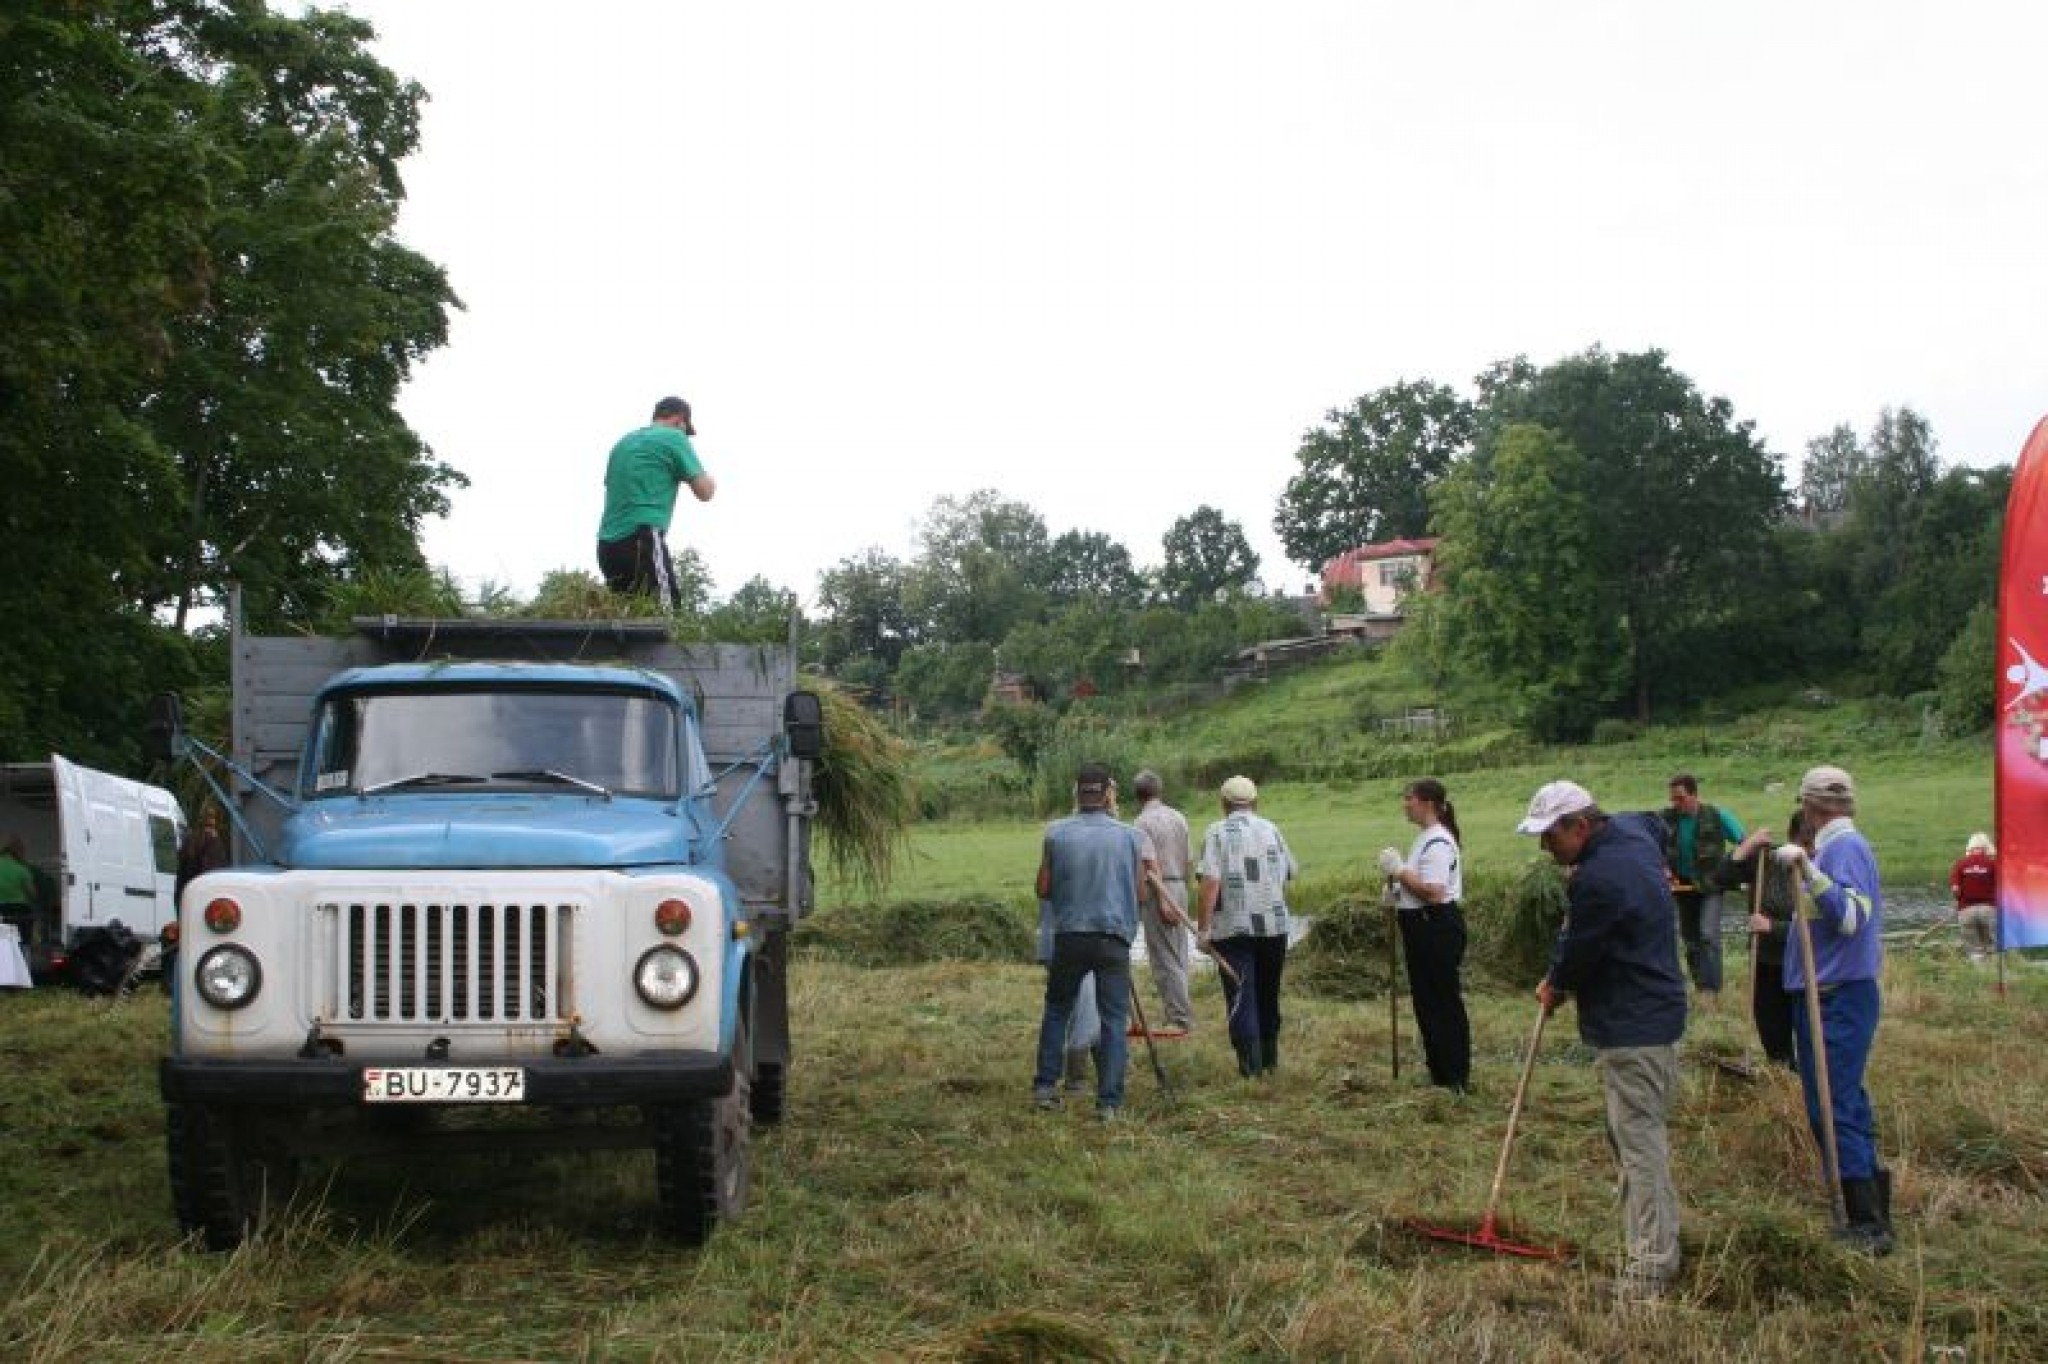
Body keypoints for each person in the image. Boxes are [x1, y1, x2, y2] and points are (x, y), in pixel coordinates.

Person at [1520, 780, 1687, 1302]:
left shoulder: (1599, 880)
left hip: (1634, 1023)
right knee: (1631, 1137)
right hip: (1653, 1010)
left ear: (1582, 826)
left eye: (1551, 837)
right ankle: (1651, 1243)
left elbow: (1578, 952)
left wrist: (1556, 984)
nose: (1545, 849)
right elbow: (1658, 822)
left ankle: (1652, 1267)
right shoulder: (1634, 832)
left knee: (1639, 1143)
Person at [1772, 764, 1893, 1255]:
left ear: (1808, 806)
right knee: (1841, 1102)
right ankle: (1870, 1202)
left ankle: (1866, 1222)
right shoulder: (1838, 848)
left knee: (1834, 1105)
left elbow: (1850, 917)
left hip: (1837, 996)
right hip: (1831, 994)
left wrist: (1809, 869)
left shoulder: (1844, 849)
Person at [1032, 762, 1146, 1120]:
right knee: (1113, 1019)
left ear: (1077, 794)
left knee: (1057, 1011)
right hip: (1113, 936)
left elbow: (1042, 889)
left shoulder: (1056, 833)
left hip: (1070, 935)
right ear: (1109, 794)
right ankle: (1109, 1102)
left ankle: (1046, 1088)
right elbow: (1142, 892)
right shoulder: (1130, 836)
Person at [1196, 776, 1298, 1078]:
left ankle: (1250, 1068)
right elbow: (1289, 872)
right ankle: (1270, 1061)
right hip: (1275, 925)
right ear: (1254, 801)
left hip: (1234, 927)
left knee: (1242, 993)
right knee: (1268, 991)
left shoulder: (1216, 832)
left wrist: (1203, 930)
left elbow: (1211, 882)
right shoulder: (1271, 828)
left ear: (1224, 803)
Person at [1376, 777, 1471, 1092]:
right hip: (1422, 927)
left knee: (1441, 1002)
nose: (1405, 804)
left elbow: (1433, 891)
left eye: (1409, 798)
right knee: (1427, 1002)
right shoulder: (1425, 838)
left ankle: (1454, 1077)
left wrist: (1399, 871)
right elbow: (1419, 887)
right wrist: (1398, 893)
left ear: (1428, 804)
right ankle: (1440, 1073)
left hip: (1436, 927)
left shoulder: (1439, 842)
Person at [595, 396, 717, 609]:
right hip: (642, 540)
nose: (685, 435)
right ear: (680, 420)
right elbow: (705, 492)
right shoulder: (674, 438)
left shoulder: (622, 444)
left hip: (607, 548)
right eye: (685, 429)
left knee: (632, 621)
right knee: (668, 618)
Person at [1725, 813, 1806, 1069]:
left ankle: (1807, 1072)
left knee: (1807, 1025)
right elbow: (1721, 877)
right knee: (1770, 1022)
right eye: (1804, 842)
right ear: (1792, 837)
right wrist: (1747, 847)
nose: (1808, 850)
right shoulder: (1767, 861)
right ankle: (1781, 1070)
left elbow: (1818, 925)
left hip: (1807, 961)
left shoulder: (1824, 865)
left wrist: (1773, 927)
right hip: (1767, 958)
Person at [1657, 774, 1746, 1007]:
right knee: (1691, 940)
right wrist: (1663, 868)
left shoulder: (1718, 816)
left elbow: (1744, 843)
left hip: (1711, 886)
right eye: (1673, 800)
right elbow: (1649, 841)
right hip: (1682, 887)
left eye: (1680, 799)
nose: (1676, 804)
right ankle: (1700, 989)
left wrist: (1740, 873)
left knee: (1708, 935)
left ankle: (1712, 990)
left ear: (1694, 795)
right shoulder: (1666, 819)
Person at [1131, 770, 1195, 1033]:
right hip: (1179, 884)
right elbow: (1189, 860)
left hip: (1160, 888)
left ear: (1138, 795)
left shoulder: (1141, 823)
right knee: (1179, 952)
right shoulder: (1178, 817)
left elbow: (1147, 864)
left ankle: (1179, 1018)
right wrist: (1184, 893)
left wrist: (1161, 901)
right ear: (1160, 790)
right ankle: (1180, 1011)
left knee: (1163, 957)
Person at [1950, 832, 1998, 961]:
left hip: (1966, 910)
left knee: (1974, 950)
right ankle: (1994, 974)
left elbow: (1955, 889)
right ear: (1986, 847)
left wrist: (1960, 901)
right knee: (1992, 947)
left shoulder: (1960, 864)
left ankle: (1980, 976)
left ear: (1970, 847)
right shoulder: (1993, 864)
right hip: (1989, 910)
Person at [175, 807, 229, 904]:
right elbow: (214, 873)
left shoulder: (189, 840)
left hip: (188, 895)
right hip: (206, 896)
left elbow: (181, 876)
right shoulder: (213, 842)